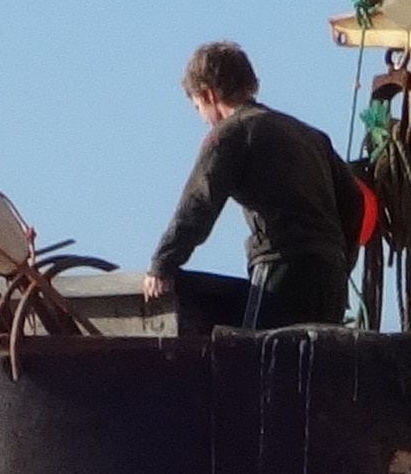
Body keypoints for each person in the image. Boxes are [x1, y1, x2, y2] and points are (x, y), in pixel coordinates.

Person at [150, 40, 362, 330]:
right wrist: (339, 259)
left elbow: (198, 204)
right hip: (330, 278)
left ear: (208, 94)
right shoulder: (312, 136)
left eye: (198, 107)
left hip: (283, 271)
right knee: (321, 370)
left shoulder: (231, 133)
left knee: (260, 367)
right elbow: (354, 202)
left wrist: (162, 265)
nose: (203, 119)